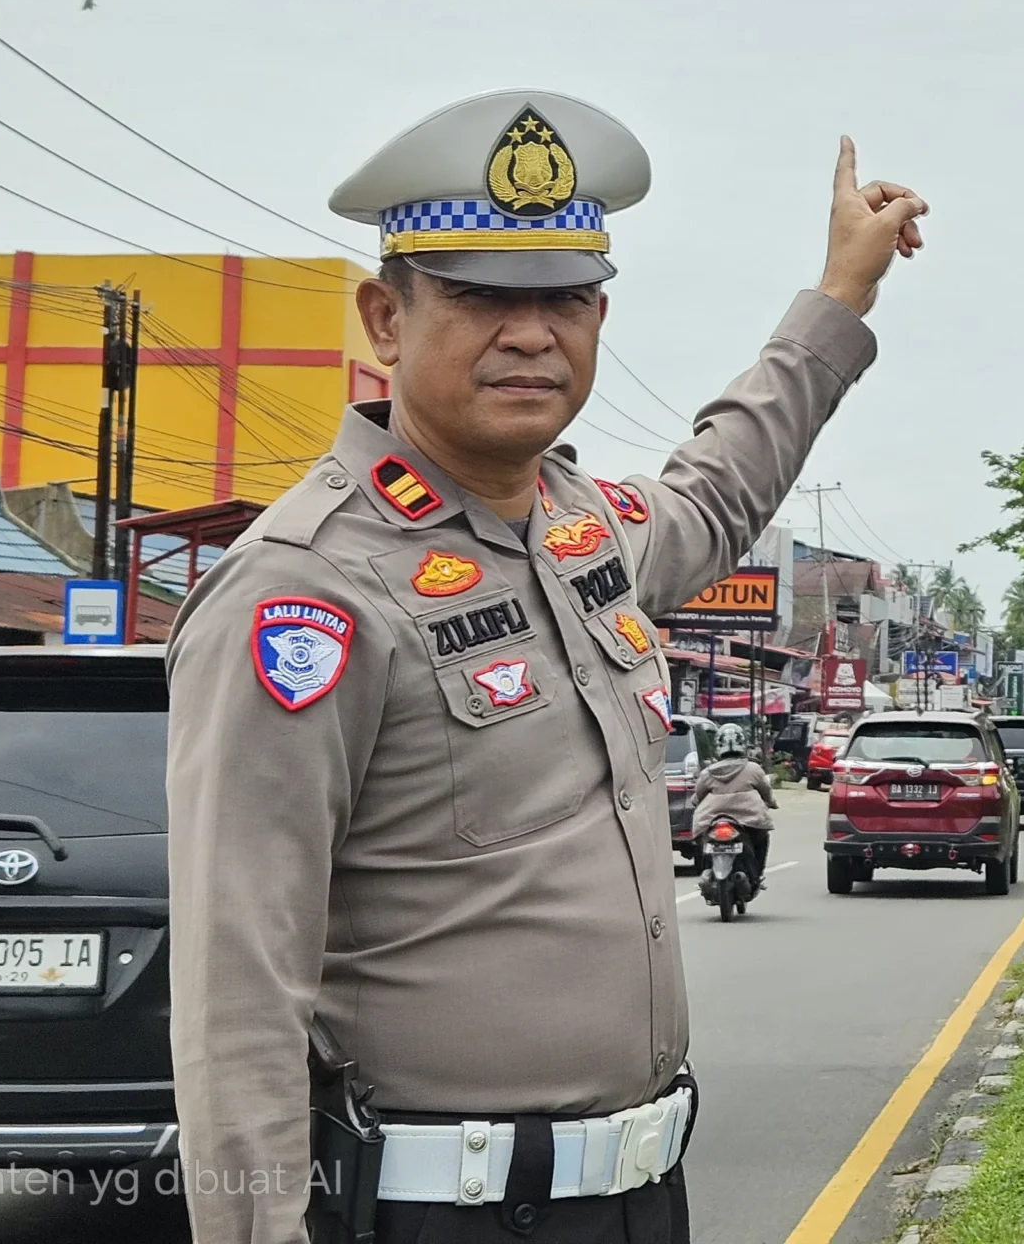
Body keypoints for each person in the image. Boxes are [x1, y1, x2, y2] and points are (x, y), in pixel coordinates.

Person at [165, 90, 926, 1244]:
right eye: (479, 296)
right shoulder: (305, 586)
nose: (531, 333)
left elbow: (722, 484)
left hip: (637, 1199)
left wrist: (839, 297)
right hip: (440, 1213)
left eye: (564, 297)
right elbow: (238, 986)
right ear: (385, 318)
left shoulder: (583, 533)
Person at [690, 724, 777, 884]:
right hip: (749, 820)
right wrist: (771, 802)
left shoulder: (707, 773)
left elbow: (697, 798)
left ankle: (706, 871)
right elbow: (766, 791)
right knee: (761, 839)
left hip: (711, 820)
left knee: (702, 843)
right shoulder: (753, 769)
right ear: (743, 744)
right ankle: (756, 876)